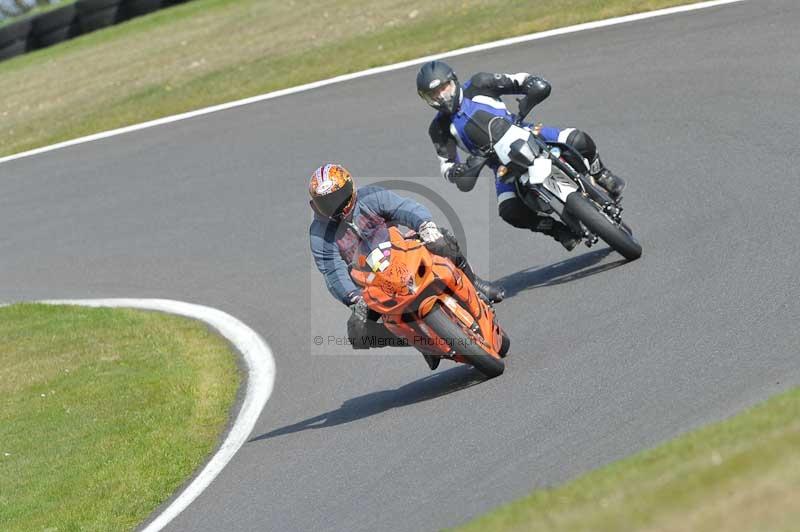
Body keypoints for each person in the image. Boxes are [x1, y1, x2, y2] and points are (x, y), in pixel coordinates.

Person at [308, 163, 505, 368]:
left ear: (351, 188)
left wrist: (425, 225)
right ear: (315, 205)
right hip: (372, 284)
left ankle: (476, 285)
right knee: (358, 333)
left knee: (443, 239)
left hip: (403, 252)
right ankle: (419, 342)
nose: (335, 206)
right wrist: (353, 298)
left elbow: (404, 208)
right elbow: (332, 271)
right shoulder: (319, 234)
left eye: (338, 197)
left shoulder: (371, 197)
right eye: (326, 202)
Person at [416, 60, 626, 251]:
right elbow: (446, 164)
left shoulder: (480, 84)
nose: (442, 96)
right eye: (434, 94)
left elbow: (518, 80)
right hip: (499, 165)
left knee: (576, 139)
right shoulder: (439, 128)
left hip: (524, 132)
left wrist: (532, 85)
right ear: (427, 99)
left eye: (445, 88)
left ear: (454, 81)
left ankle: (602, 174)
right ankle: (556, 230)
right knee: (509, 210)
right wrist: (457, 171)